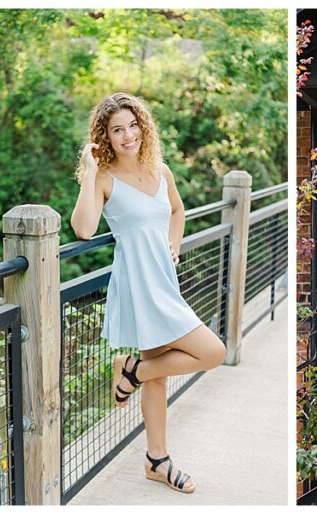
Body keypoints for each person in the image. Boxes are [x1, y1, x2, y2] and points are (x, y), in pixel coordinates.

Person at [70, 92, 225, 494]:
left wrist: (174, 245)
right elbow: (84, 229)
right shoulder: (104, 178)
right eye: (117, 130)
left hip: (163, 281)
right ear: (104, 136)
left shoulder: (161, 171)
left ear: (143, 126)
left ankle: (155, 455)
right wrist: (89, 169)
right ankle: (136, 379)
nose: (127, 136)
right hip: (138, 286)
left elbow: (177, 211)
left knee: (166, 373)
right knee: (213, 351)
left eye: (132, 126)